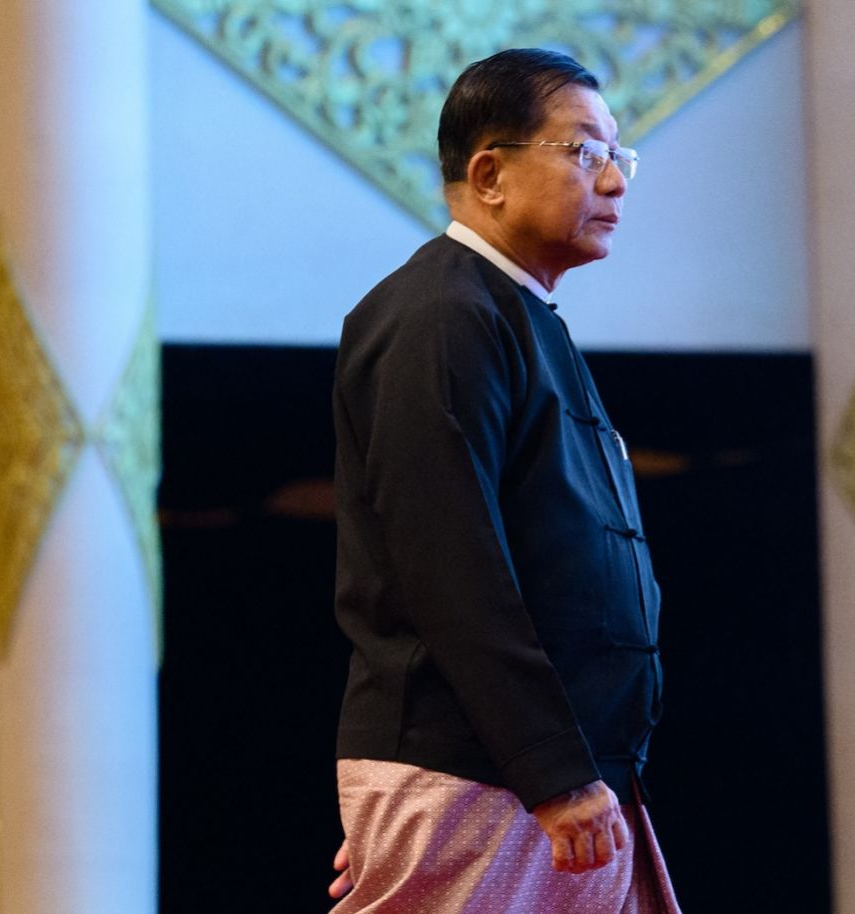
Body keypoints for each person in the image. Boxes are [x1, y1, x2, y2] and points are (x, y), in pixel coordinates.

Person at [325, 48, 679, 912]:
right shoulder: (442, 317)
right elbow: (449, 564)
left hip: (536, 774)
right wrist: (550, 772)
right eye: (585, 152)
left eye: (617, 157)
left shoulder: (514, 312)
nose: (616, 182)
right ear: (489, 174)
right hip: (499, 773)